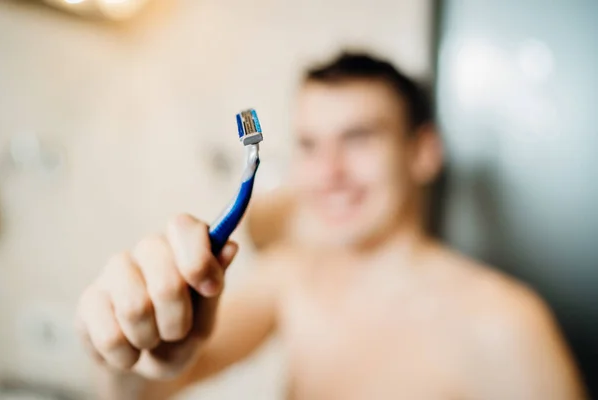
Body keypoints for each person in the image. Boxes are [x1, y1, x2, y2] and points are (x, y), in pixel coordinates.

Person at [75, 52, 586, 400]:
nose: (328, 173)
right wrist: (129, 353)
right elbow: (148, 388)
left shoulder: (507, 323)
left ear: (424, 152)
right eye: (309, 145)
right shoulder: (291, 277)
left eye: (358, 138)